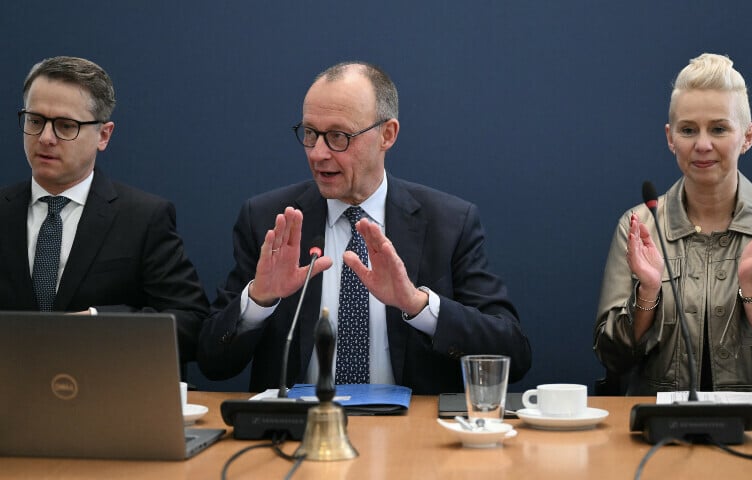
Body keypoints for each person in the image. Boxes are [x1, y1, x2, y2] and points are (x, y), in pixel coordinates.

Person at [198, 61, 531, 394]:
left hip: (410, 437)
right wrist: (259, 301)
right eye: (311, 133)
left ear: (387, 135)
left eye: (338, 137)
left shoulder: (449, 223)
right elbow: (212, 362)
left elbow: (514, 355)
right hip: (300, 433)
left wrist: (417, 305)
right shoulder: (269, 219)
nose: (318, 153)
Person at [594, 53, 752, 395]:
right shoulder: (638, 226)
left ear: (747, 137)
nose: (702, 145)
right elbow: (612, 358)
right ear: (670, 137)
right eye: (688, 130)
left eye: (719, 129)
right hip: (658, 431)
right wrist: (647, 293)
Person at [0, 56, 209, 364]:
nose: (45, 138)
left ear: (103, 135)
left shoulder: (143, 218)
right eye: (35, 120)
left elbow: (191, 324)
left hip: (105, 396)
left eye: (65, 126)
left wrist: (100, 323)